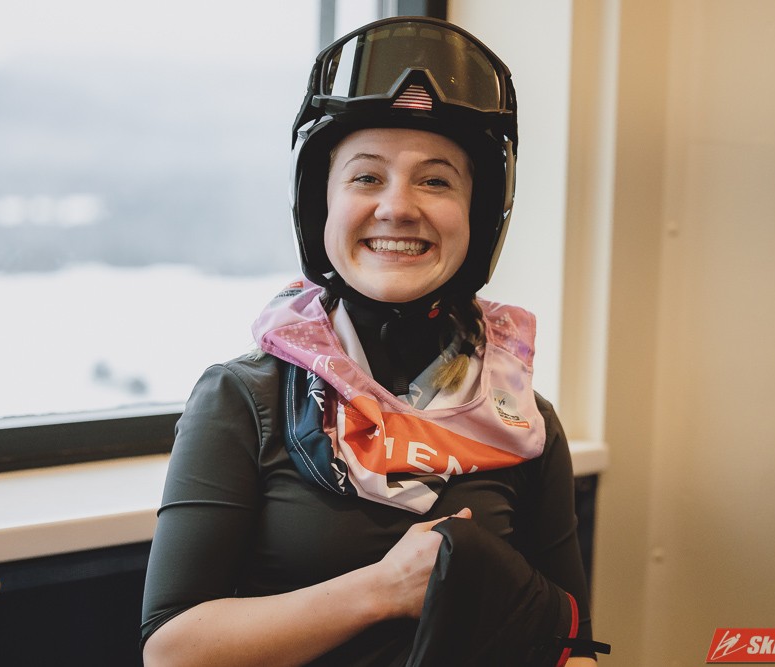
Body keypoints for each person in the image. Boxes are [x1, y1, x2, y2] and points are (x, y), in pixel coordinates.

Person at [141, 16, 606, 667]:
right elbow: (172, 651)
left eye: (436, 180)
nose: (398, 207)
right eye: (366, 178)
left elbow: (572, 650)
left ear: (478, 214)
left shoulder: (524, 426)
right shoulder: (243, 399)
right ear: (321, 205)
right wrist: (384, 590)